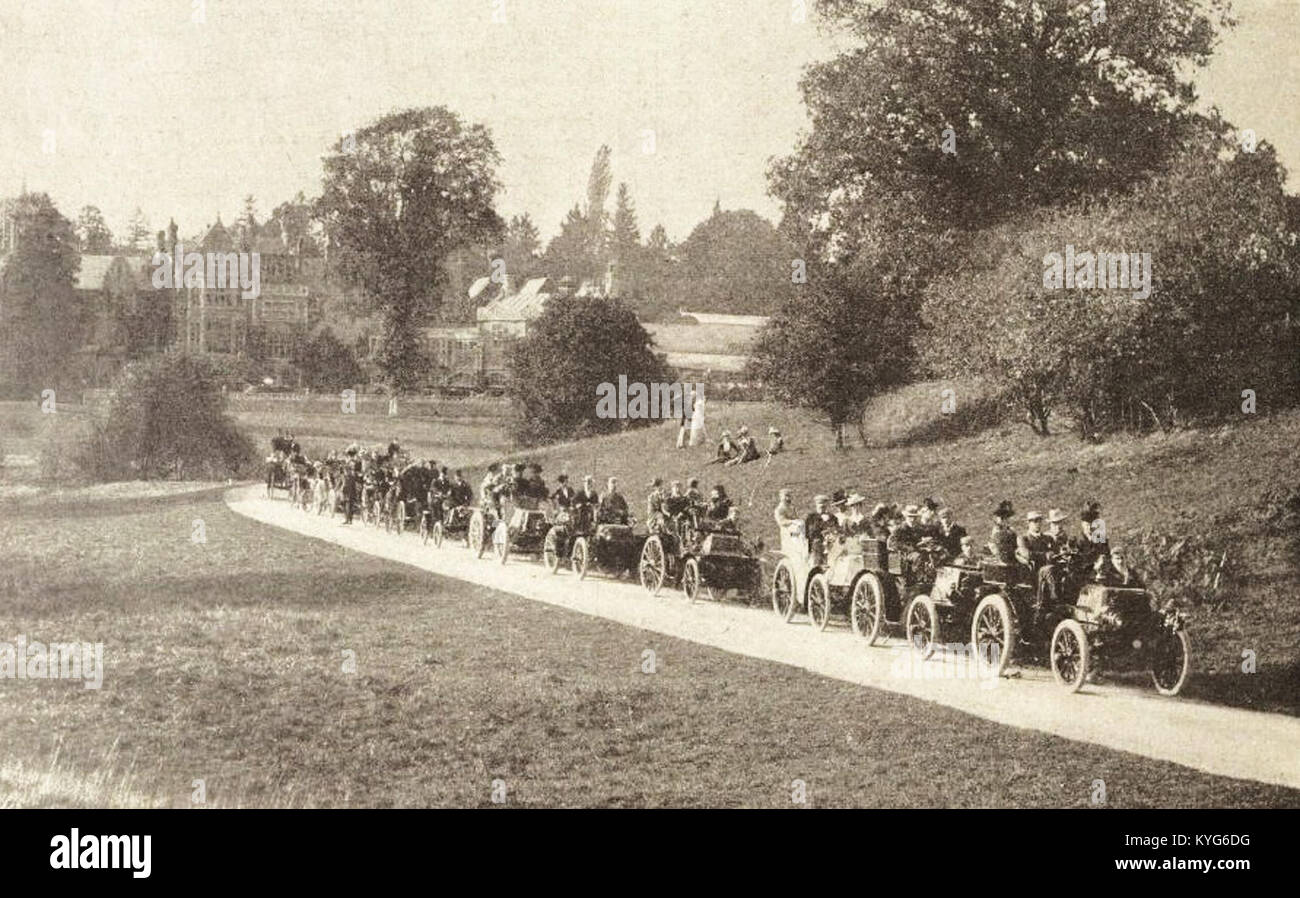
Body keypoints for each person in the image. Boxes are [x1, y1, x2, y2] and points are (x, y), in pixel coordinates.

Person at [804, 494, 840, 565]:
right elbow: (810, 533)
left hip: (831, 542)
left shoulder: (832, 517)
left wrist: (832, 533)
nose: (822, 507)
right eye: (819, 504)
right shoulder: (811, 517)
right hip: (817, 543)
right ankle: (817, 567)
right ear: (816, 505)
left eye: (824, 505)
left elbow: (837, 529)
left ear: (827, 506)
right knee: (817, 544)